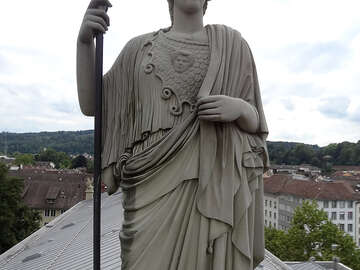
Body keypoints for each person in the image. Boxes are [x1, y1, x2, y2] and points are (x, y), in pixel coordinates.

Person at [77, 0, 269, 269]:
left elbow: (256, 124)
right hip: (148, 188)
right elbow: (91, 105)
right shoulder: (137, 49)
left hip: (211, 190)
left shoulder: (233, 47)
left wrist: (238, 109)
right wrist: (85, 44)